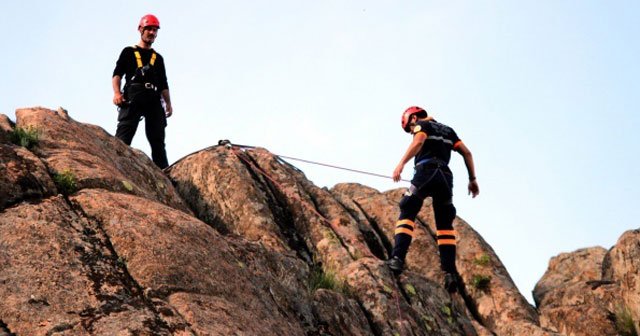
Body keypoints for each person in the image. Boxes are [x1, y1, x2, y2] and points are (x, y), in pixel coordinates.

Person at [386, 106, 479, 293]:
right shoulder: (449, 130)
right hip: (445, 177)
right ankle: (450, 274)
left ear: (412, 118)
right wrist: (472, 179)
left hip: (426, 171)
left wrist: (401, 164)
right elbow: (467, 153)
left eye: (409, 129)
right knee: (445, 226)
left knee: (408, 208)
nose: (411, 131)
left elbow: (418, 142)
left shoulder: (421, 125)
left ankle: (397, 259)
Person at [112, 14, 173, 169]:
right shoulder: (128, 52)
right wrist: (117, 93)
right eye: (149, 29)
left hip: (153, 97)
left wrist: (168, 104)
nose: (152, 33)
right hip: (134, 94)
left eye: (155, 30)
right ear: (140, 29)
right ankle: (113, 164)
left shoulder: (158, 59)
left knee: (157, 139)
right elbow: (117, 74)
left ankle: (164, 171)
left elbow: (163, 83)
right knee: (124, 134)